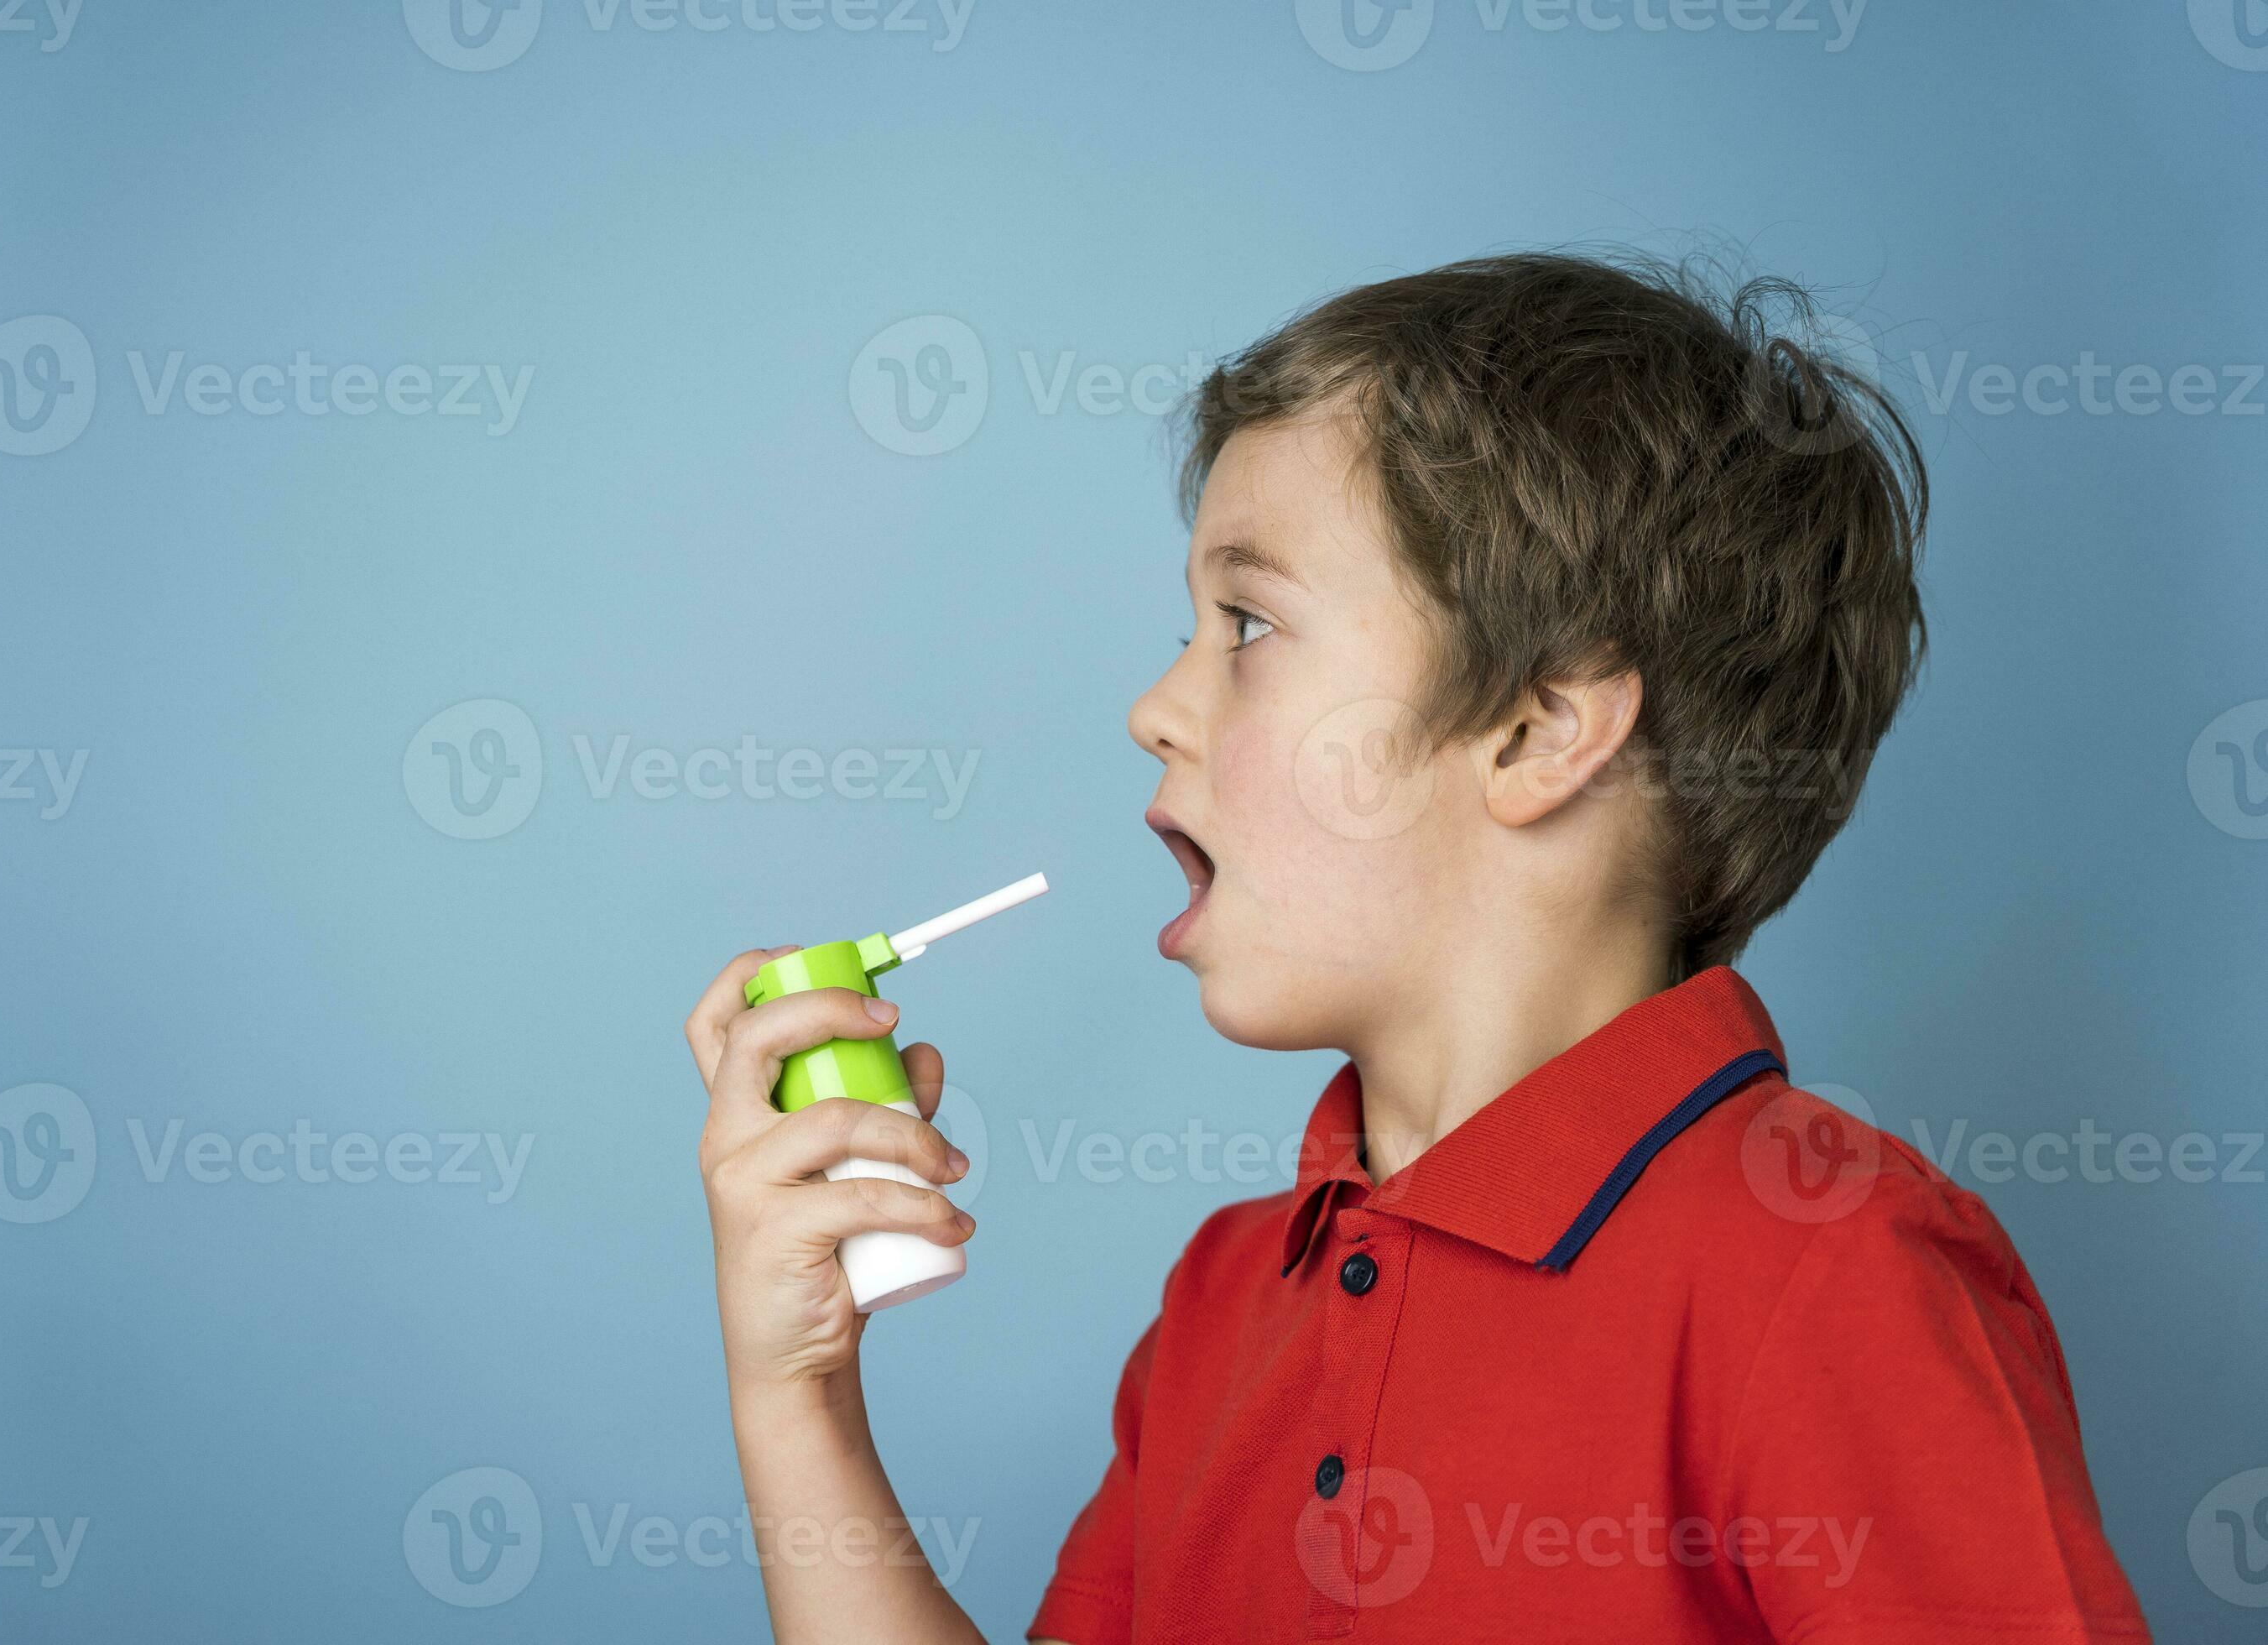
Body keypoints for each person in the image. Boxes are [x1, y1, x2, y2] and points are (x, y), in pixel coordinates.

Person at [683, 251, 2151, 1642]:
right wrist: (795, 1395)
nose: (1158, 705)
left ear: (1535, 732)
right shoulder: (1221, 1299)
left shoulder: (1829, 1273)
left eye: (1248, 624)